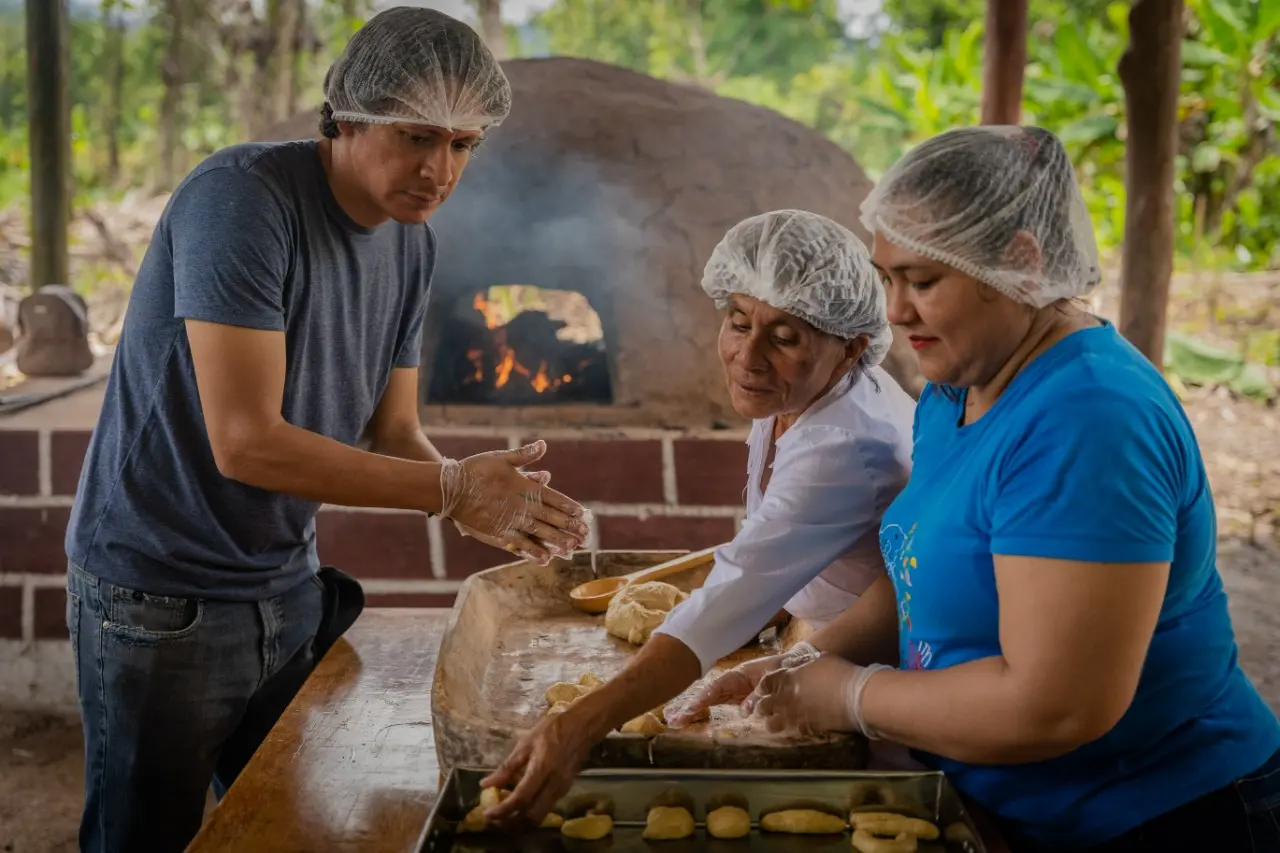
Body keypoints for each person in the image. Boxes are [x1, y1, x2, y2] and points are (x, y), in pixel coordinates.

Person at [61, 9, 589, 853]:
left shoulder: (410, 245)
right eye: (417, 135)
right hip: (161, 592)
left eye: (462, 144)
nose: (438, 168)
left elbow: (393, 430)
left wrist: (479, 500)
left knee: (284, 826)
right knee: (143, 837)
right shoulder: (243, 200)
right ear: (346, 115)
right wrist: (449, 488)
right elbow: (247, 442)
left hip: (286, 582)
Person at [717, 127, 1280, 853]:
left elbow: (1056, 706)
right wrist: (806, 658)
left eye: (923, 281)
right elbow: (919, 569)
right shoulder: (956, 389)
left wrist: (850, 696)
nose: (894, 310)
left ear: (1021, 262)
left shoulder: (1089, 420)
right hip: (1020, 806)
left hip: (1162, 814)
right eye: (887, 278)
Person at [480, 209, 917, 827]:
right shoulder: (799, 393)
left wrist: (578, 726)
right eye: (739, 323)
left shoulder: (847, 446)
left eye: (785, 337)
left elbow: (731, 594)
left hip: (875, 688)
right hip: (815, 641)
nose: (749, 356)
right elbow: (770, 552)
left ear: (852, 349)